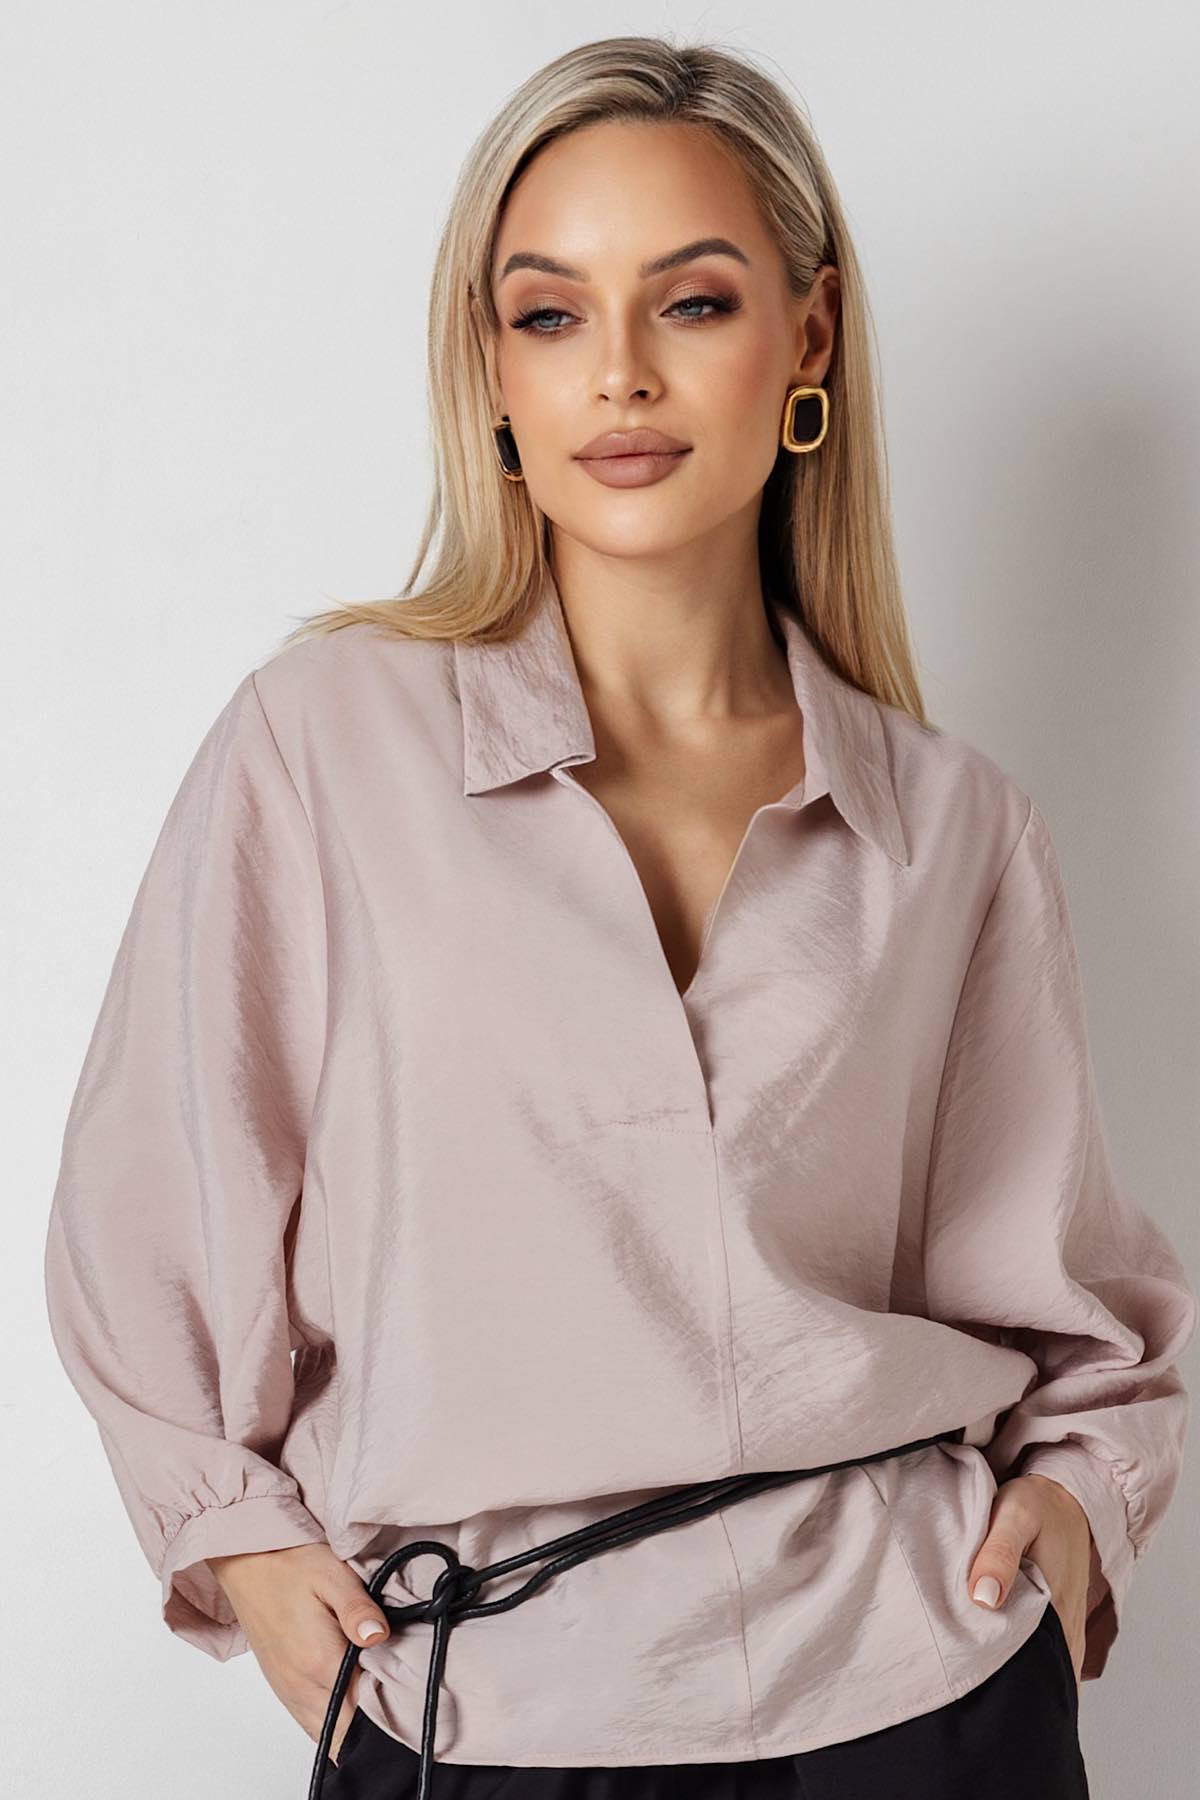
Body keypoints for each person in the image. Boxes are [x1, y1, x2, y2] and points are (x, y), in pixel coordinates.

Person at [43, 33, 1197, 1800]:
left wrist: (1075, 1506)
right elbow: (147, 1210)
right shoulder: (321, 748)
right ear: (492, 368)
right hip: (482, 1710)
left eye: (695, 302)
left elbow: (1070, 1289)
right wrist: (239, 1538)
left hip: (922, 1696)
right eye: (552, 313)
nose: (621, 374)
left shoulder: (951, 828)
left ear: (808, 339)